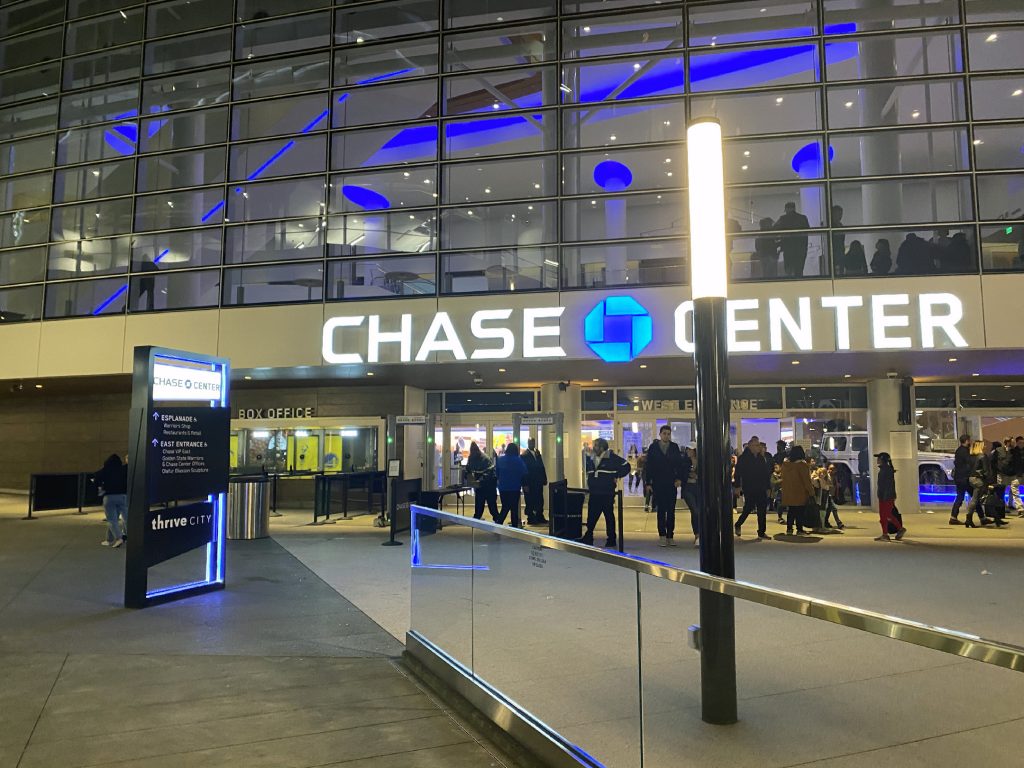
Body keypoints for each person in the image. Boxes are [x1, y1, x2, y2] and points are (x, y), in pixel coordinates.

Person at [577, 438, 630, 548]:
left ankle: (611, 539)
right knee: (591, 515)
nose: (593, 447)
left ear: (602, 447)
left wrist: (617, 475)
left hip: (606, 492)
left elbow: (626, 466)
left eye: (596, 445)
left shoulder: (612, 458)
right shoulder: (592, 457)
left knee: (608, 516)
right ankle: (588, 536)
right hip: (594, 492)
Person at [644, 425, 683, 547]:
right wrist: (648, 483)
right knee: (661, 510)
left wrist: (679, 478)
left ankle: (670, 535)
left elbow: (679, 464)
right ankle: (662, 535)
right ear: (660, 434)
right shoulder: (654, 447)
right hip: (658, 482)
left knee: (671, 510)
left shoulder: (674, 447)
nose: (666, 436)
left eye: (668, 434)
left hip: (671, 482)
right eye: (664, 433)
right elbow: (649, 466)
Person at [733, 435, 773, 539]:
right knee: (748, 508)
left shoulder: (761, 458)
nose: (759, 447)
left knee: (762, 510)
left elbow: (765, 473)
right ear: (750, 446)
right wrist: (737, 486)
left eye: (759, 445)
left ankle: (761, 532)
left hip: (761, 487)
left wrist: (768, 487)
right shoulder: (743, 458)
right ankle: (738, 524)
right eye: (756, 445)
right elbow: (738, 473)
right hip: (749, 487)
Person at [95, 453, 128, 548]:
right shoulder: (123, 470)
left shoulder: (105, 470)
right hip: (123, 496)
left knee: (112, 519)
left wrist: (100, 488)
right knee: (125, 518)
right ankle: (109, 539)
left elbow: (96, 477)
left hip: (109, 497)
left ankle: (118, 538)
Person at [781, 445, 815, 535]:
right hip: (800, 492)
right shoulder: (802, 465)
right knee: (800, 511)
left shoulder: (785, 465)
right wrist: (811, 492)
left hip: (788, 491)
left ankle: (789, 529)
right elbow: (806, 480)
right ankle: (799, 529)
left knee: (791, 510)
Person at [967, 441, 1001, 527]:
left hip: (971, 479)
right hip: (979, 480)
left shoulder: (970, 456)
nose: (985, 446)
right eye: (983, 445)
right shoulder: (982, 456)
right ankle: (969, 519)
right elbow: (986, 471)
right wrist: (990, 482)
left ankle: (976, 518)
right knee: (977, 500)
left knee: (976, 499)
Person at [874, 452, 906, 541]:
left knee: (885, 515)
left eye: (879, 458)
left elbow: (888, 485)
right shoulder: (885, 469)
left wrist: (885, 496)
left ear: (883, 460)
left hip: (886, 497)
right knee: (885, 515)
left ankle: (893, 531)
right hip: (884, 496)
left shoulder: (886, 470)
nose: (877, 460)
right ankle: (887, 533)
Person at [495, 442, 529, 528]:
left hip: (503, 488)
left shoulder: (500, 460)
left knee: (505, 507)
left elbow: (497, 473)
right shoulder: (519, 460)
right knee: (514, 509)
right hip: (515, 488)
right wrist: (525, 486)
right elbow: (524, 473)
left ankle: (499, 523)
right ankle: (514, 527)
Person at [774, 201, 810, 277]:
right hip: (801, 248)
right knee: (799, 270)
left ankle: (791, 282)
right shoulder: (803, 218)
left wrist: (780, 239)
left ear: (787, 209)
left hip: (788, 248)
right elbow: (808, 231)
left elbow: (774, 229)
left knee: (789, 270)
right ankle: (799, 282)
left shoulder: (783, 219)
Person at [466, 442, 498, 522]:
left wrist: (478, 477)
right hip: (481, 485)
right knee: (480, 505)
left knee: (491, 506)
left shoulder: (485, 458)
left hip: (489, 484)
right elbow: (469, 469)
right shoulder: (472, 458)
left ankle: (497, 519)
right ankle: (478, 517)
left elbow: (490, 472)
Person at [521, 437, 549, 526]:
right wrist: (525, 484)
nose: (532, 444)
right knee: (530, 500)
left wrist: (544, 478)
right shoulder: (524, 455)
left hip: (538, 481)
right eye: (530, 442)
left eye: (533, 442)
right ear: (528, 443)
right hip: (530, 482)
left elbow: (542, 466)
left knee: (539, 499)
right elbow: (523, 471)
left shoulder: (537, 453)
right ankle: (531, 517)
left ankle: (539, 516)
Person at [680, 442, 702, 547]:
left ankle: (699, 534)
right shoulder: (684, 462)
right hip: (688, 488)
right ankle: (697, 535)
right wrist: (688, 475)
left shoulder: (701, 462)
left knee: (699, 511)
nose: (688, 451)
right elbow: (681, 474)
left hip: (698, 488)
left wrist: (697, 476)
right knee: (695, 510)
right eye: (687, 449)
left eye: (690, 449)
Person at [949, 434, 973, 525]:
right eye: (969, 440)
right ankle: (982, 517)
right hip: (964, 478)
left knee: (960, 496)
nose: (970, 442)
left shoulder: (958, 450)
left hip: (958, 477)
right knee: (974, 497)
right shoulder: (965, 451)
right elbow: (968, 463)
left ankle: (953, 517)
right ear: (966, 441)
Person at [1011, 436, 1024, 516]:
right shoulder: (1014, 451)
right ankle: (1020, 508)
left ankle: (1020, 508)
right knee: (1014, 489)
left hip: (1018, 473)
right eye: (1020, 443)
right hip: (1018, 474)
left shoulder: (1014, 451)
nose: (1021, 444)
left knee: (1014, 488)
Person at [830, 205, 845, 275]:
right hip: (834, 253)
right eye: (838, 214)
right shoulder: (831, 225)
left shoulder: (841, 225)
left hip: (840, 252)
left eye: (841, 214)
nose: (840, 216)